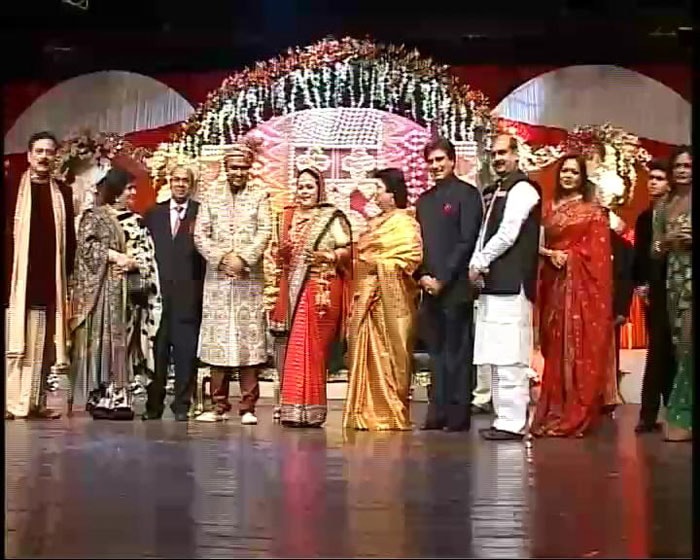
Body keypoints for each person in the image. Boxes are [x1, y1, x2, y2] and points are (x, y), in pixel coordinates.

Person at [530, 154, 615, 437]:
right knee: (555, 347)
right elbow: (536, 246)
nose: (567, 176)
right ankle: (556, 407)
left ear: (582, 178)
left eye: (573, 172)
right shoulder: (549, 208)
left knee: (579, 347)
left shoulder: (593, 212)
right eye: (564, 171)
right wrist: (549, 254)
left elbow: (599, 257)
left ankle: (577, 409)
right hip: (553, 286)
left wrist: (570, 257)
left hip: (581, 289)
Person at [68, 167, 162, 420]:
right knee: (101, 344)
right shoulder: (95, 217)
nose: (133, 192)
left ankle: (120, 398)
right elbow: (86, 249)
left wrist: (133, 264)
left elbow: (147, 256)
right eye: (129, 187)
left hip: (128, 295)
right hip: (100, 294)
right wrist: (114, 256)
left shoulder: (136, 220)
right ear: (116, 189)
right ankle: (99, 396)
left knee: (125, 346)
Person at [194, 139, 272, 425]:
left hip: (248, 279)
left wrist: (244, 259)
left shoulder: (260, 195)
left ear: (249, 168)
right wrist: (223, 258)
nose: (238, 172)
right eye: (233, 167)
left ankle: (248, 407)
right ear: (226, 168)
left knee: (248, 341)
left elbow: (265, 230)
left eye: (242, 168)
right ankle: (217, 405)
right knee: (219, 341)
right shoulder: (210, 195)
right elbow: (200, 234)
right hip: (218, 279)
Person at [469, 134, 541, 441]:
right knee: (495, 356)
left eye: (503, 153)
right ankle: (503, 419)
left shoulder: (523, 189)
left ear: (516, 154)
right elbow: (486, 232)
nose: (497, 158)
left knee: (511, 357)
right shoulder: (499, 188)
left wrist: (481, 261)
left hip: (512, 284)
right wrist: (476, 262)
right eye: (493, 154)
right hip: (494, 284)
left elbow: (508, 232)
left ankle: (513, 422)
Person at [269, 167, 352, 428]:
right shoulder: (286, 217)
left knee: (313, 349)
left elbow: (347, 251)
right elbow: (277, 256)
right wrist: (281, 254)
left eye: (310, 187)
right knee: (294, 347)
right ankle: (293, 409)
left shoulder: (332, 217)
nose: (304, 192)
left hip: (322, 288)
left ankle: (313, 410)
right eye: (301, 186)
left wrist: (327, 256)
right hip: (291, 289)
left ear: (320, 190)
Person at [343, 169, 422, 431]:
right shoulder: (375, 223)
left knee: (392, 355)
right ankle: (364, 411)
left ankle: (390, 413)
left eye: (379, 188)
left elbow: (410, 259)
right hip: (366, 298)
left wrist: (378, 265)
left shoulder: (405, 223)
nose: (375, 193)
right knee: (363, 351)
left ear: (393, 193)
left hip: (391, 299)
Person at [5, 131, 76, 420]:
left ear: (56, 156)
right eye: (39, 151)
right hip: (14, 279)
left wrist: (67, 278)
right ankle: (12, 402)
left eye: (49, 152)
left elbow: (69, 239)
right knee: (16, 340)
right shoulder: (11, 189)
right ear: (29, 155)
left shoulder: (62, 192)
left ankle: (35, 401)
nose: (45, 157)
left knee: (43, 345)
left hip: (50, 278)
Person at [415, 137, 482, 432]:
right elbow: (417, 245)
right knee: (436, 353)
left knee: (458, 352)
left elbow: (467, 241)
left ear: (453, 161)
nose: (435, 166)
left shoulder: (467, 195)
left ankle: (457, 414)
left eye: (440, 160)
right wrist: (423, 277)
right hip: (429, 288)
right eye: (431, 161)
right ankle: (437, 411)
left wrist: (442, 278)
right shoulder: (425, 201)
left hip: (455, 287)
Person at [143, 165, 206, 422]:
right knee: (156, 354)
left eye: (185, 180)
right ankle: (153, 405)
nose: (180, 184)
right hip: (156, 298)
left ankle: (182, 406)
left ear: (191, 185)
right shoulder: (153, 215)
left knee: (185, 354)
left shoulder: (201, 213)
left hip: (189, 297)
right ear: (169, 182)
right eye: (176, 180)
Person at [632, 159, 675, 433]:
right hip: (656, 290)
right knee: (658, 350)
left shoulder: (676, 213)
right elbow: (640, 256)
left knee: (674, 351)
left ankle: (674, 411)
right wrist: (641, 284)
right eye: (651, 178)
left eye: (659, 178)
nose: (653, 182)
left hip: (678, 286)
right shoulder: (645, 217)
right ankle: (648, 414)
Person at [656, 146, 692, 442]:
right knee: (680, 345)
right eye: (678, 166)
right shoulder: (663, 206)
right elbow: (654, 251)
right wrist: (667, 240)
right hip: (674, 279)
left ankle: (683, 413)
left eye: (688, 166)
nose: (683, 171)